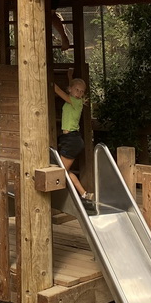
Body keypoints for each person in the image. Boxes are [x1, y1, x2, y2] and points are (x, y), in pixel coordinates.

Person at [54, 73, 95, 208]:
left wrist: (48, 80)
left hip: (72, 139)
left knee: (62, 171)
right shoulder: (72, 98)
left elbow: (58, 91)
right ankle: (84, 194)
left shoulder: (76, 102)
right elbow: (70, 88)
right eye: (77, 90)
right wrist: (70, 75)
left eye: (82, 92)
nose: (79, 93)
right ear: (71, 89)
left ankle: (81, 194)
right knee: (64, 170)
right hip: (69, 139)